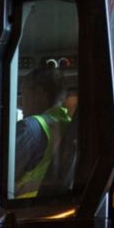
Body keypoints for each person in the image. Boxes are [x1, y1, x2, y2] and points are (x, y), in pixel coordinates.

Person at [12, 65, 73, 197]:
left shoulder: (29, 128)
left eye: (24, 95)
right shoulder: (68, 126)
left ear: (39, 93)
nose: (21, 104)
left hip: (20, 211)